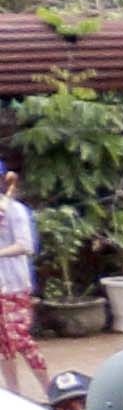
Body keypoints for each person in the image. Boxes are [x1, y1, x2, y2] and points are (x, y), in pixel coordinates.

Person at [0, 156, 35, 394]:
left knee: (21, 341)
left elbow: (25, 245)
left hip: (14, 286)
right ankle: (15, 395)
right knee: (3, 346)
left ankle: (54, 393)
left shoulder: (15, 211)